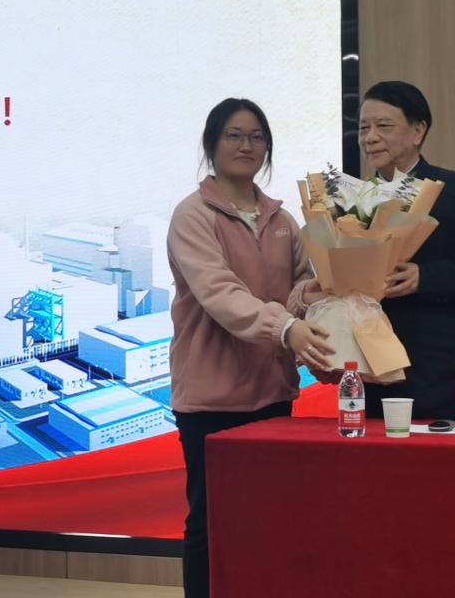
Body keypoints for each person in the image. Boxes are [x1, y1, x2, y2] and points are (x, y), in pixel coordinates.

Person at [168, 97, 333, 598]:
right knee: (210, 523)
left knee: (268, 519)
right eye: (234, 135)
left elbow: (299, 285)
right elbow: (221, 294)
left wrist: (320, 295)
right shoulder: (193, 215)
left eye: (257, 137)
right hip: (211, 399)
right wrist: (287, 327)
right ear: (211, 144)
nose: (247, 145)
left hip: (271, 393)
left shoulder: (282, 219)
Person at [359, 80, 455, 420]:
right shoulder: (353, 200)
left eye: (383, 126)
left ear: (418, 131)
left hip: (441, 374)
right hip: (374, 376)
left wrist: (425, 277)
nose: (370, 137)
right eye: (363, 128)